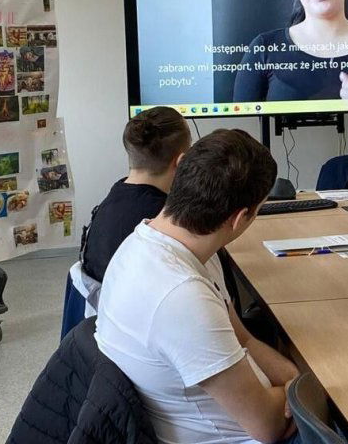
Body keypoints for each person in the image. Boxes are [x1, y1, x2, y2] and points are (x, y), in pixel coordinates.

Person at [96, 129, 301, 444]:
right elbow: (269, 427)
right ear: (240, 217)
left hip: (245, 409)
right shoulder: (182, 296)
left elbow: (242, 336)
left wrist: (293, 381)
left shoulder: (161, 243)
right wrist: (297, 393)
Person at [59, 106, 191, 338]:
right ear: (181, 162)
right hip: (140, 333)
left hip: (104, 330)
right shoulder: (164, 220)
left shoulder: (111, 201)